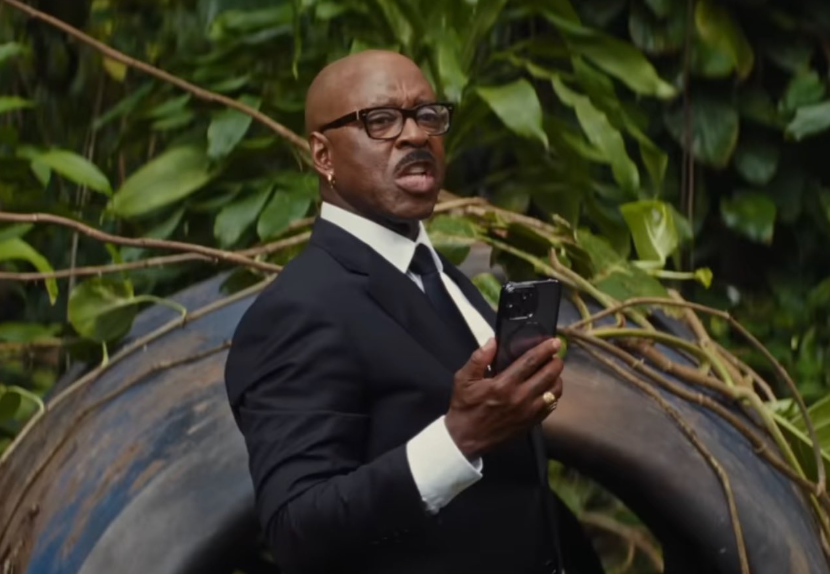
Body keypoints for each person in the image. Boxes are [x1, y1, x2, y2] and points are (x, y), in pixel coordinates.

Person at [224, 50, 603, 574]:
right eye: (380, 121)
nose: (415, 135)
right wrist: (458, 439)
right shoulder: (298, 310)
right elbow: (297, 528)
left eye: (428, 116)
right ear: (323, 155)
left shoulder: (444, 277)